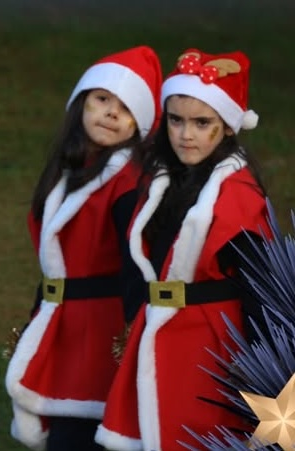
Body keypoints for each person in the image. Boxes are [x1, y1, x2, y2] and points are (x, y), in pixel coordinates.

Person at [95, 48, 266, 451]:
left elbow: (261, 296)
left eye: (201, 122)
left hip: (212, 349)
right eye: (176, 120)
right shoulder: (159, 182)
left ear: (227, 126)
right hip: (154, 334)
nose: (185, 134)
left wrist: (271, 386)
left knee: (195, 435)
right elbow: (139, 264)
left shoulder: (239, 197)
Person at [4, 46, 163, 451]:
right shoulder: (67, 172)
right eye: (102, 99)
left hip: (103, 333)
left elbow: (135, 268)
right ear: (81, 104)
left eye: (126, 108)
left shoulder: (128, 183)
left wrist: (133, 338)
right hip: (63, 328)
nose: (111, 113)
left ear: (139, 124)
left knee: (83, 434)